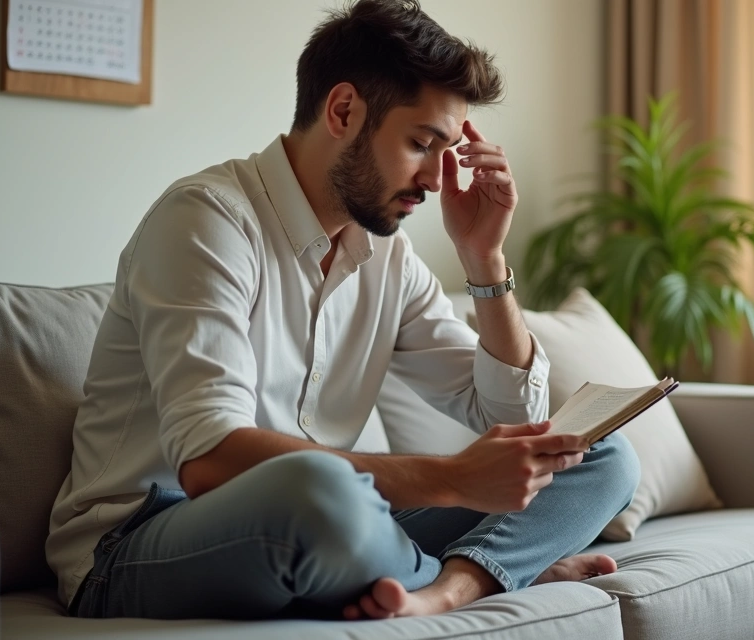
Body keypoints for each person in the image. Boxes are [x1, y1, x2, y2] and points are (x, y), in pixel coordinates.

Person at [45, 0, 640, 621]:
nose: (438, 180)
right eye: (421, 143)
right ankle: (500, 569)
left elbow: (515, 415)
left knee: (597, 453)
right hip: (135, 544)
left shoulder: (388, 258)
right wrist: (452, 478)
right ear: (343, 110)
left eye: (447, 151)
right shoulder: (205, 219)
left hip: (332, 523)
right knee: (323, 495)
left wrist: (484, 259)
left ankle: (447, 589)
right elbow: (211, 459)